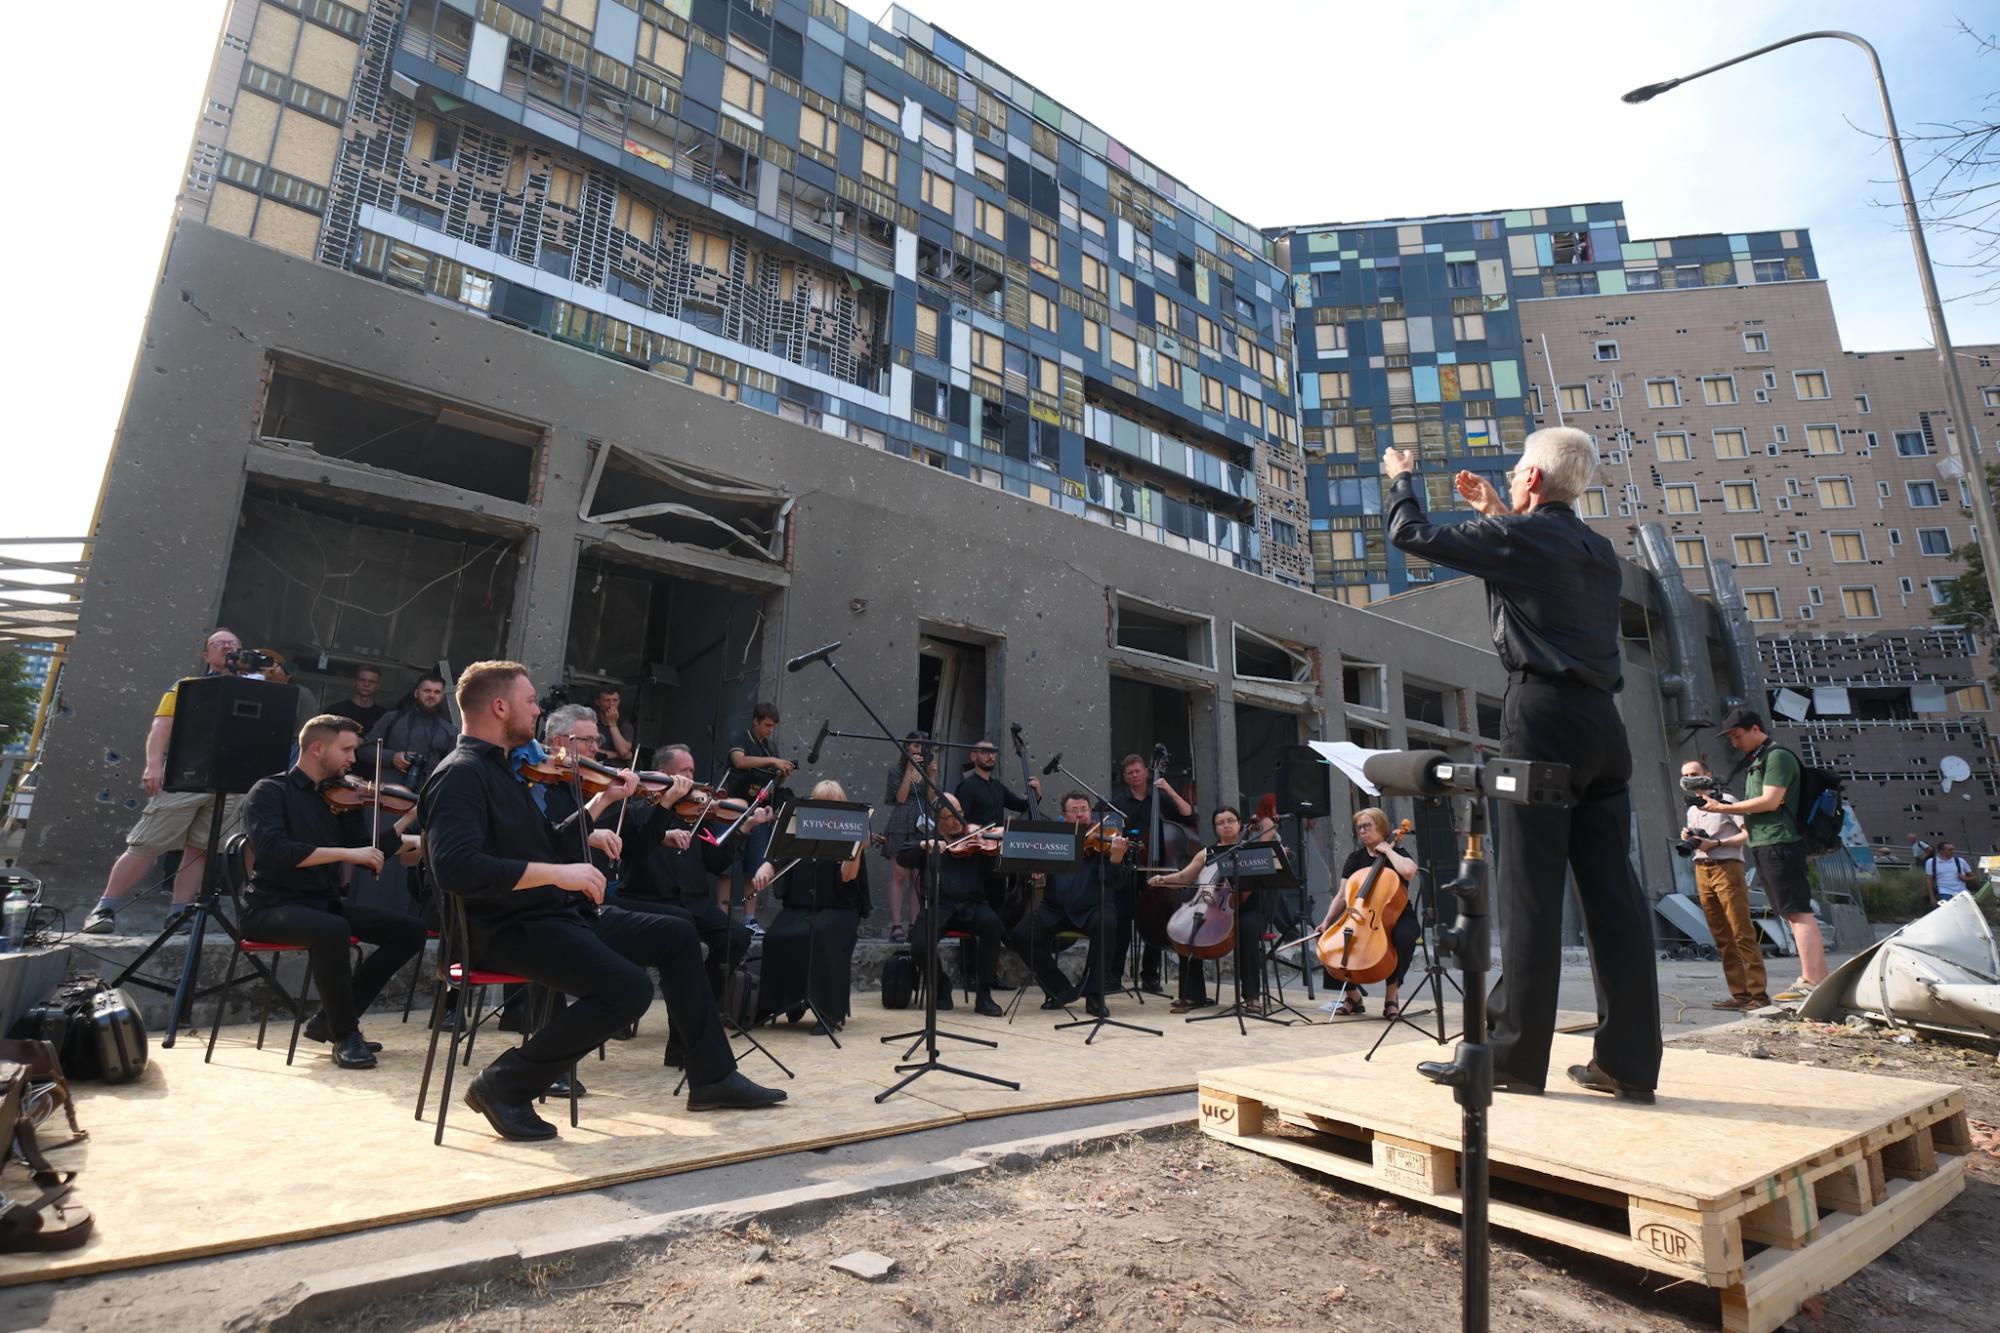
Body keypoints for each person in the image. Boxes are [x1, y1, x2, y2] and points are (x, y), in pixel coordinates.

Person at [1385, 427, 1662, 1103]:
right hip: (1605, 729)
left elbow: (1412, 536)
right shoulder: (1598, 552)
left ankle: (1511, 1057)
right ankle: (1627, 1063)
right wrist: (1495, 512)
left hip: (1540, 719)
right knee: (1614, 900)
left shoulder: (1525, 538)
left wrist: (1401, 479)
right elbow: (1540, 560)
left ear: (1534, 480)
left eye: (1514, 475)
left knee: (1529, 893)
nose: (1508, 480)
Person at [420, 660, 783, 1140]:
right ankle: (505, 1083)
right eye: (530, 701)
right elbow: (456, 868)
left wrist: (602, 802)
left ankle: (712, 1077)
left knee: (677, 933)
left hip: (551, 915)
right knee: (628, 990)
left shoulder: (506, 772)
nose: (537, 710)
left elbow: (548, 843)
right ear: (500, 706)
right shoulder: (461, 775)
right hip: (503, 929)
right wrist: (563, 873)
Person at [239, 715, 426, 1068]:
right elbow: (274, 851)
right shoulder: (269, 791)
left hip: (321, 904)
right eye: (347, 750)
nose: (354, 760)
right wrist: (344, 853)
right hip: (270, 907)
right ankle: (345, 1034)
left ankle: (331, 1018)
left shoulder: (338, 798)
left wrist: (407, 817)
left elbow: (369, 849)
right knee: (332, 929)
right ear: (317, 748)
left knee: (410, 932)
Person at [82, 628, 251, 935]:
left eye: (233, 643)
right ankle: (105, 907)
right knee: (148, 843)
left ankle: (178, 912)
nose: (228, 647)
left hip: (228, 781)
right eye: (219, 643)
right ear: (206, 655)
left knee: (199, 848)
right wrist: (153, 766)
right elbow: (161, 728)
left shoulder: (252, 687)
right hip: (186, 777)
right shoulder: (187, 686)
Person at [1705, 708, 1827, 1006]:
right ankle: (1814, 978)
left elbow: (1770, 801)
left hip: (1780, 842)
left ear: (1755, 729)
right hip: (1766, 843)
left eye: (1737, 736)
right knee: (1791, 911)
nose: (1735, 743)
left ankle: (1813, 980)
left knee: (1797, 911)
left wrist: (1722, 809)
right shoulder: (1760, 760)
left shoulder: (1777, 757)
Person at [751, 780, 871, 1031]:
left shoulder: (851, 830)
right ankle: (786, 1001)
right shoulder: (802, 826)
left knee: (822, 935)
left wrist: (858, 846)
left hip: (839, 909)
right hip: (801, 906)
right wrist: (766, 866)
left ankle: (828, 1012)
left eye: (833, 805)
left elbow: (847, 876)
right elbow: (780, 856)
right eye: (821, 804)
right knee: (777, 936)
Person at [1149, 806, 1273, 1015]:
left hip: (1248, 909)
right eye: (1220, 822)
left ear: (1239, 823)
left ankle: (1251, 996)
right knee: (1188, 928)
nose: (1226, 825)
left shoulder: (1251, 851)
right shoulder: (1207, 853)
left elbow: (1250, 889)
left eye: (1230, 820)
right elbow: (1184, 877)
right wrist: (1163, 879)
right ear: (1215, 828)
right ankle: (1193, 994)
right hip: (1214, 906)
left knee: (1247, 928)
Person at [1008, 793, 1122, 1020]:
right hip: (1055, 909)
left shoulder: (1105, 840)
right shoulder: (1054, 839)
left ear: (1091, 813)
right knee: (1020, 935)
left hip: (1093, 908)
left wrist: (1116, 860)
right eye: (1075, 810)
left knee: (1107, 923)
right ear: (1064, 815)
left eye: (1084, 809)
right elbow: (1030, 863)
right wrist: (1034, 867)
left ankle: (1094, 995)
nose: (1080, 814)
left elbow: (1111, 882)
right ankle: (1059, 988)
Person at [897, 794, 1005, 1016]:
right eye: (951, 817)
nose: (958, 821)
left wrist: (995, 851)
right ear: (938, 821)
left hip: (972, 904)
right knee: (919, 944)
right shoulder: (931, 840)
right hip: (940, 905)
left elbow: (997, 871)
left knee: (993, 926)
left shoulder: (975, 840)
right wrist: (923, 845)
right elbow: (902, 855)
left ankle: (984, 995)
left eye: (960, 815)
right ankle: (941, 984)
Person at [1679, 759, 1768, 1011]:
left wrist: (1717, 844)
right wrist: (1690, 837)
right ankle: (1739, 994)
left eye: (1695, 773)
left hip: (1727, 867)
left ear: (1707, 774)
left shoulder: (1726, 800)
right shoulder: (1692, 809)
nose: (1690, 779)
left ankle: (1758, 995)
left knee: (1741, 931)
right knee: (1722, 936)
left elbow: (1747, 834)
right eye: (1686, 775)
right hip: (1702, 869)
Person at [1320, 807, 1421, 1019]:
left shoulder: (1399, 854)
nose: (1362, 831)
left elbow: (1409, 872)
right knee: (1328, 940)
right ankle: (1352, 996)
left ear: (1382, 828)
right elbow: (1341, 895)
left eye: (1368, 826)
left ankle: (1391, 997)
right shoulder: (1355, 859)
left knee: (1403, 936)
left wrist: (1389, 851)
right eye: (1359, 828)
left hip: (1398, 914)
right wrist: (1327, 921)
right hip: (1361, 915)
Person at [1111, 753, 1195, 995]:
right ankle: (1113, 976)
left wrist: (1168, 788)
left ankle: (1150, 977)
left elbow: (1188, 813)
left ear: (1147, 773)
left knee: (1156, 917)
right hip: (1128, 868)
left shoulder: (1161, 798)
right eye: (1129, 773)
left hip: (1158, 867)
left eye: (1138, 771)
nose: (1134, 775)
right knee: (1122, 923)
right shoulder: (1120, 803)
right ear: (1125, 778)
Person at [725, 702, 793, 908]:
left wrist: (782, 774)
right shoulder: (740, 737)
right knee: (727, 865)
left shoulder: (771, 746)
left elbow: (772, 784)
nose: (770, 730)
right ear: (755, 721)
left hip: (760, 810)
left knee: (755, 864)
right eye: (767, 725)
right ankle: (722, 911)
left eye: (773, 727)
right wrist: (772, 761)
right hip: (734, 808)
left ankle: (750, 918)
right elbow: (739, 761)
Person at [880, 733, 937, 943]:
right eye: (915, 745)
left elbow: (931, 800)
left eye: (922, 746)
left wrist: (931, 776)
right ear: (906, 747)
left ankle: (914, 925)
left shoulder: (927, 767)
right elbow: (901, 798)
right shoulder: (896, 770)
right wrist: (910, 771)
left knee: (917, 877)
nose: (919, 750)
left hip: (921, 823)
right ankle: (896, 926)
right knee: (899, 875)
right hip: (901, 821)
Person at [365, 672, 456, 782]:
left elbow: (453, 771)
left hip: (424, 795)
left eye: (437, 692)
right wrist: (392, 758)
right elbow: (364, 750)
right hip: (385, 791)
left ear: (442, 696)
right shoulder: (392, 718)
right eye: (427, 690)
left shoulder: (450, 731)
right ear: (416, 693)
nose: (432, 695)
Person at [327, 665, 387, 733]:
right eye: (362, 680)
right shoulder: (335, 711)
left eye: (371, 681)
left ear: (377, 686)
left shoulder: (383, 716)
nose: (366, 684)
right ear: (354, 682)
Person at [1924, 841, 1977, 907]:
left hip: (1962, 892)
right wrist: (1932, 898)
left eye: (1953, 849)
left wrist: (1966, 878)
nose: (1953, 851)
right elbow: (1929, 880)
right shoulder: (1931, 862)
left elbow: (1974, 877)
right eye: (1950, 850)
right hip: (1945, 892)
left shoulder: (1960, 861)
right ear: (1941, 851)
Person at [594, 686, 637, 765]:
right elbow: (588, 750)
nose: (611, 705)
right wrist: (617, 755)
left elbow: (623, 752)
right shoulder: (592, 723)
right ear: (598, 702)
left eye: (615, 700)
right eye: (606, 700)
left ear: (619, 702)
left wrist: (612, 724)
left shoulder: (625, 726)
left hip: (616, 772)